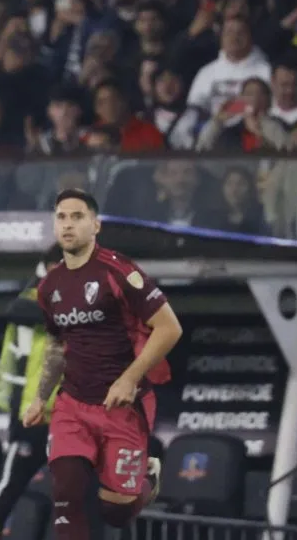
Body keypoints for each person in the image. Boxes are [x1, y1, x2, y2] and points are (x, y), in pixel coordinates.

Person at [27, 188, 183, 538]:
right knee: (65, 493)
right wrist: (41, 396)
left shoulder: (119, 271)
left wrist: (129, 379)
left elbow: (170, 329)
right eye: (61, 217)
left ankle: (146, 478)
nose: (68, 224)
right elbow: (56, 346)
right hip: (73, 403)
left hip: (123, 404)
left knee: (116, 510)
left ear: (95, 225)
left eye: (77, 217)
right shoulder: (48, 287)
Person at [0, 245, 62, 540]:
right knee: (10, 485)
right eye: (56, 267)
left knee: (77, 494)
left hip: (70, 420)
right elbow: (17, 310)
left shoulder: (89, 303)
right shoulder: (33, 299)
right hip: (31, 417)